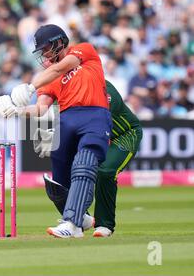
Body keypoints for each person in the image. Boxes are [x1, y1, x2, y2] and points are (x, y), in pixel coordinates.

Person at [0, 24, 112, 238]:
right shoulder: (49, 77)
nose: (45, 55)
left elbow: (59, 68)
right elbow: (40, 108)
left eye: (47, 48)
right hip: (66, 120)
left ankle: (72, 224)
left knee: (84, 164)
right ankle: (81, 217)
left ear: (60, 41)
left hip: (94, 115)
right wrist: (17, 110)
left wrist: (29, 86)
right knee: (57, 183)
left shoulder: (84, 50)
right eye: (42, 51)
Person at [33, 80, 143, 237]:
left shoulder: (101, 87)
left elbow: (97, 123)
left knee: (104, 171)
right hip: (95, 133)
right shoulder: (63, 88)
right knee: (68, 168)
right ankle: (80, 219)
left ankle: (105, 225)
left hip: (124, 135)